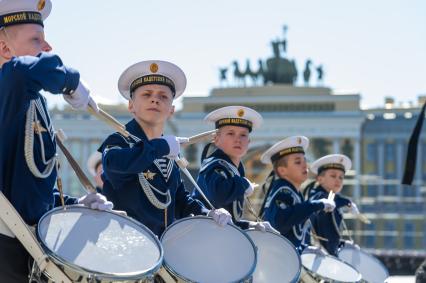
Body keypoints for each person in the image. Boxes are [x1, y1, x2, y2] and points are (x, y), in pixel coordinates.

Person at [0, 1, 112, 281]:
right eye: (36, 39)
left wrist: (76, 204)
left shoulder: (31, 101)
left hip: (29, 242)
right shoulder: (8, 87)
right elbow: (20, 71)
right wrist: (70, 79)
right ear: (4, 49)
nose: (48, 47)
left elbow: (27, 188)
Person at [99, 60, 232, 237]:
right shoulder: (119, 142)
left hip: (161, 249)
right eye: (146, 94)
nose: (155, 99)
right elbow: (114, 164)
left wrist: (209, 212)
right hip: (125, 247)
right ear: (131, 105)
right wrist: (161, 146)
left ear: (171, 110)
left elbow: (181, 201)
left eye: (163, 96)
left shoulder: (170, 155)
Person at [194, 105, 277, 233]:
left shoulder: (233, 169)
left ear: (249, 142)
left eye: (243, 135)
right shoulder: (214, 165)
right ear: (216, 139)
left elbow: (230, 220)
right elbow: (220, 196)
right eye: (231, 133)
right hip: (203, 235)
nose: (237, 139)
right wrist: (243, 183)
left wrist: (251, 225)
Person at [259, 136, 336, 252]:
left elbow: (294, 233)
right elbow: (282, 222)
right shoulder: (283, 192)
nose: (305, 165)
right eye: (298, 162)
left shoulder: (293, 193)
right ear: (282, 171)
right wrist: (317, 204)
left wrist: (306, 249)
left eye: (305, 160)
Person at [307, 154, 359, 256]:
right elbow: (327, 199)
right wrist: (348, 202)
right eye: (333, 176)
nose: (338, 180)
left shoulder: (334, 201)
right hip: (317, 257)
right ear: (320, 179)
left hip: (328, 257)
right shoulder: (319, 197)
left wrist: (342, 244)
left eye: (341, 177)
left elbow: (329, 236)